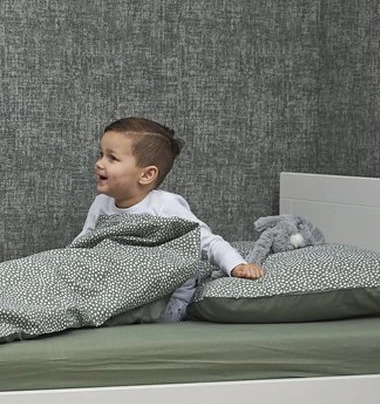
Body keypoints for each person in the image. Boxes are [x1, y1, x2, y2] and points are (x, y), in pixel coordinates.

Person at [73, 117, 264, 321]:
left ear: (146, 175)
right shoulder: (101, 204)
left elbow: (208, 243)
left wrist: (237, 266)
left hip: (165, 301)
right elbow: (83, 244)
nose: (99, 163)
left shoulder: (165, 206)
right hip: (118, 287)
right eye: (100, 154)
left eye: (112, 158)